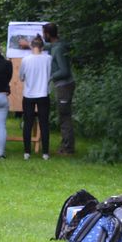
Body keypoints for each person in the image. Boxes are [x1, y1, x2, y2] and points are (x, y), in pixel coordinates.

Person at [43, 23, 75, 155]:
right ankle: (65, 145)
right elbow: (49, 46)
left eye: (44, 33)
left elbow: (65, 71)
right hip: (62, 86)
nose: (43, 36)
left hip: (64, 86)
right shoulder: (56, 45)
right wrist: (30, 44)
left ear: (48, 34)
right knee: (63, 115)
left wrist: (50, 76)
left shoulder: (59, 49)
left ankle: (68, 148)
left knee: (65, 116)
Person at [19, 36, 53, 160]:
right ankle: (45, 153)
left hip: (28, 94)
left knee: (28, 122)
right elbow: (50, 75)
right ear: (42, 47)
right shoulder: (48, 59)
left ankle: (27, 152)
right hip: (43, 93)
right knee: (44, 123)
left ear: (31, 47)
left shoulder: (25, 59)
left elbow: (21, 76)